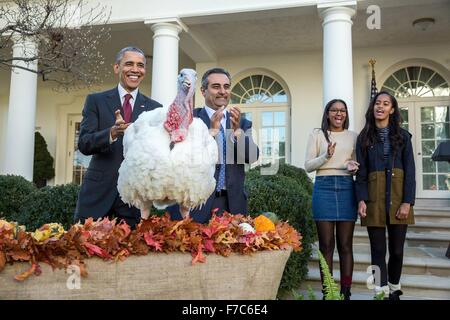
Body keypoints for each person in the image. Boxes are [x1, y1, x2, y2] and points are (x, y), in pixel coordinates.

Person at [74, 46, 163, 229]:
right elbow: (84, 143)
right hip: (98, 193)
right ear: (117, 67)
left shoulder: (155, 108)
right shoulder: (96, 101)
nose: (135, 70)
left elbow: (159, 153)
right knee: (86, 249)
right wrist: (112, 133)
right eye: (129, 64)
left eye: (140, 65)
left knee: (133, 253)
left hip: (135, 198)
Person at [169, 67, 259, 223]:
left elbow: (252, 157)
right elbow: (176, 154)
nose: (222, 91)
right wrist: (211, 132)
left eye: (226, 86)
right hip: (195, 204)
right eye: (216, 86)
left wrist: (237, 132)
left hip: (232, 206)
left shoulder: (242, 123)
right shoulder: (189, 119)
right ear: (203, 91)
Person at [355, 91, 416, 300]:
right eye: (377, 103)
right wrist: (361, 199)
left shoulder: (403, 136)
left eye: (386, 104)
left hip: (399, 197)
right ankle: (379, 292)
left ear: (392, 109)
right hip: (374, 199)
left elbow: (410, 170)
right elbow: (361, 172)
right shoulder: (364, 137)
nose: (380, 107)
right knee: (377, 251)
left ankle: (394, 287)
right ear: (373, 108)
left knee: (397, 251)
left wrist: (407, 201)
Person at [304, 99, 359, 300]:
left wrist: (352, 165)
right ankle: (328, 291)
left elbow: (353, 162)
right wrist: (326, 156)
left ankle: (345, 292)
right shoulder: (317, 134)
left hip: (346, 187)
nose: (338, 114)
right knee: (326, 244)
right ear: (327, 113)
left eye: (342, 110)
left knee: (345, 244)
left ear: (346, 114)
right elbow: (308, 166)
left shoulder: (353, 136)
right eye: (334, 110)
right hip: (323, 187)